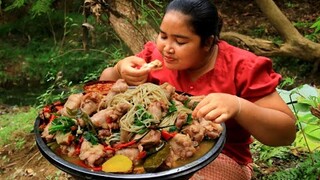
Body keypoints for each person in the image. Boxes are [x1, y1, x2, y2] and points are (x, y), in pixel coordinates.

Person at [99, 0, 296, 179]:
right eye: (163, 35)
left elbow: (286, 133)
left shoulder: (242, 67)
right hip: (150, 152)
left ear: (208, 42)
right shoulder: (154, 57)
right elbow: (100, 94)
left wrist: (238, 106)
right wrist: (118, 69)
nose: (167, 47)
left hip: (222, 158)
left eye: (180, 41)